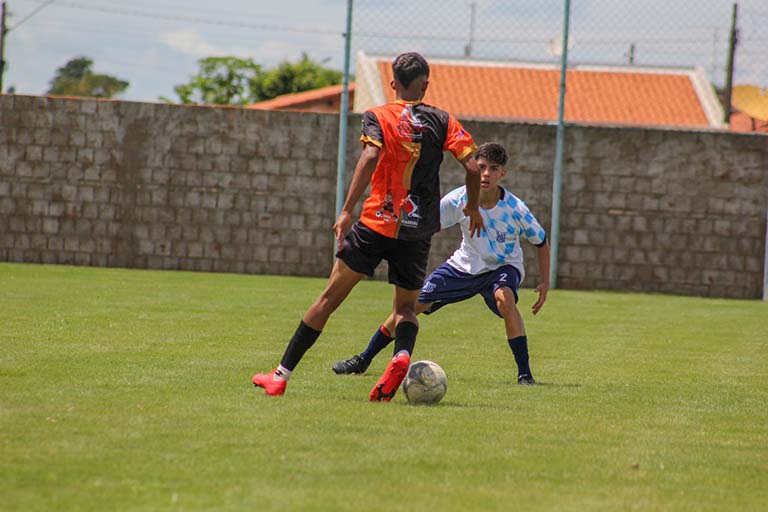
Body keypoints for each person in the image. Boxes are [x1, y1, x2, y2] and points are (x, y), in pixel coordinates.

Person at [252, 52, 484, 401]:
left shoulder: (377, 115)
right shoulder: (443, 120)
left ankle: (280, 376)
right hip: (416, 231)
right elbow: (472, 167)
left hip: (376, 223)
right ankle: (401, 356)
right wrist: (473, 206)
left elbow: (370, 155)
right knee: (405, 310)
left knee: (328, 299)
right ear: (426, 84)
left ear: (393, 83)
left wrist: (347, 210)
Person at [332, 142, 550, 385]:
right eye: (481, 167)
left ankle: (525, 375)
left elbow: (541, 242)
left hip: (503, 267)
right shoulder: (458, 200)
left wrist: (545, 282)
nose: (486, 174)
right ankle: (363, 359)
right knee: (412, 306)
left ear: (502, 173)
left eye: (493, 168)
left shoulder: (515, 209)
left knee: (505, 299)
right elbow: (426, 224)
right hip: (464, 265)